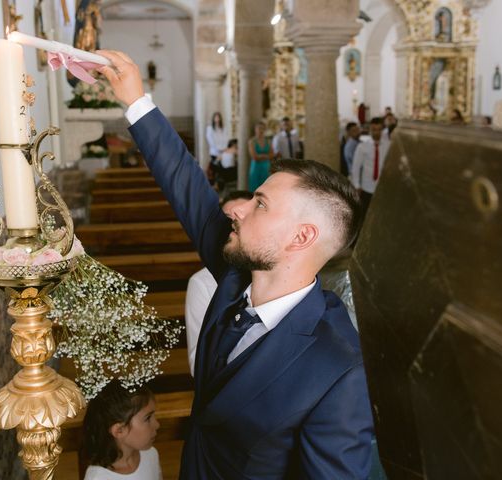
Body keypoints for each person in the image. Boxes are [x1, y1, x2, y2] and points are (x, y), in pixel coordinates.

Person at [99, 50, 375, 480]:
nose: (238, 209)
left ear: (301, 237)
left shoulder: (338, 368)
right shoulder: (234, 275)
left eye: (260, 204)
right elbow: (186, 185)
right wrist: (135, 97)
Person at [185, 191, 254, 376]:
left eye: (245, 217)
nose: (235, 225)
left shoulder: (275, 272)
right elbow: (196, 363)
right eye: (228, 221)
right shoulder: (202, 282)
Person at [82, 381, 162, 480]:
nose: (157, 424)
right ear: (119, 430)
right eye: (148, 418)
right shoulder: (98, 477)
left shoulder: (151, 454)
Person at [351, 117, 391, 209]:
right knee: (366, 213)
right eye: (374, 129)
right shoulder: (362, 146)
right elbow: (356, 167)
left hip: (382, 187)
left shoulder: (388, 145)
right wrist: (357, 185)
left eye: (379, 130)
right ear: (370, 129)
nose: (376, 132)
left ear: (382, 130)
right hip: (367, 187)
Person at [248, 121, 273, 192]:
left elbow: (272, 155)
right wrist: (266, 156)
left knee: (265, 188)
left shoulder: (268, 141)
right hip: (255, 167)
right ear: (255, 130)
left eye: (262, 128)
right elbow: (254, 157)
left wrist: (261, 156)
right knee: (254, 189)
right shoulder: (252, 141)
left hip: (266, 167)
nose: (261, 130)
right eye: (259, 128)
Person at [206, 112, 228, 186]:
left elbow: (226, 139)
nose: (217, 119)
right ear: (213, 118)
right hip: (214, 152)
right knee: (215, 169)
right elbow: (211, 141)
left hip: (223, 151)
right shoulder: (210, 128)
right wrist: (219, 149)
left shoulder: (223, 128)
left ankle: (220, 185)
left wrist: (223, 148)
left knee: (223, 169)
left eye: (218, 117)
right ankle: (214, 184)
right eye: (216, 117)